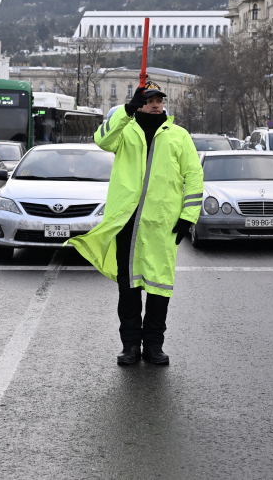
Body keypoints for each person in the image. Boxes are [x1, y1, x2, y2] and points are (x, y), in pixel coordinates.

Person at [68, 81, 204, 366]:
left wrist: (187, 217)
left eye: (159, 100)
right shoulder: (124, 131)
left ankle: (154, 345)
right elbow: (101, 140)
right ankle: (130, 345)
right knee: (128, 289)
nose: (156, 104)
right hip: (127, 222)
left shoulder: (179, 135)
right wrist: (125, 111)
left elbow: (193, 177)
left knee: (159, 287)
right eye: (149, 99)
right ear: (140, 102)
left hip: (163, 225)